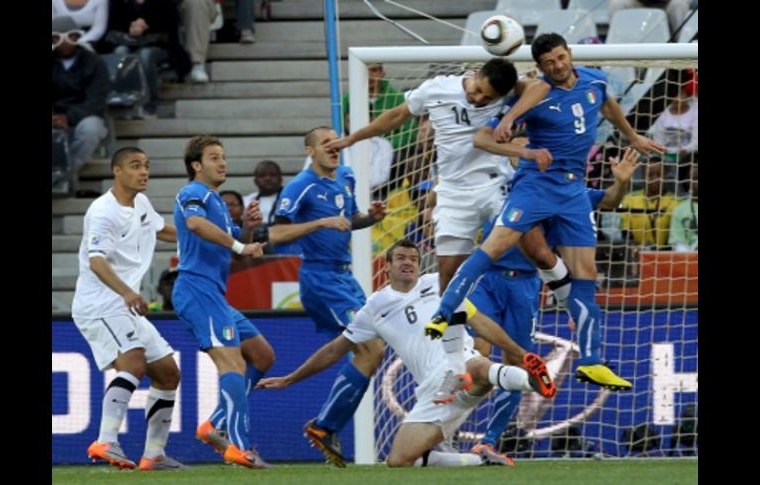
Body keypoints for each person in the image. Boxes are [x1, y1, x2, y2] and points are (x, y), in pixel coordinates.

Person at [427, 33, 665, 392]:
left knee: (586, 274)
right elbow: (482, 138)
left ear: (569, 54)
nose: (557, 65)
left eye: (560, 57)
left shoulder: (594, 82)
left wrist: (632, 136)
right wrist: (516, 135)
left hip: (572, 190)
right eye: (549, 62)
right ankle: (443, 312)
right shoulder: (534, 95)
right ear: (540, 67)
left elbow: (608, 105)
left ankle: (591, 361)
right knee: (494, 245)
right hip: (536, 185)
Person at [257, 240, 555, 467]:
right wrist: (290, 379)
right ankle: (480, 459)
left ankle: (533, 381)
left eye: (413, 258)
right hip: (431, 390)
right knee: (399, 460)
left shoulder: (438, 285)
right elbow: (336, 349)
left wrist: (517, 352)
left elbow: (478, 321)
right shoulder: (375, 306)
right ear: (386, 266)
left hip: (458, 367)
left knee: (477, 367)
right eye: (401, 258)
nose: (408, 263)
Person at [469, 146, 642, 457]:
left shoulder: (568, 192)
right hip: (488, 279)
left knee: (517, 361)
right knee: (476, 355)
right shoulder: (499, 183)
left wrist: (622, 181)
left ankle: (489, 441)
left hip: (525, 285)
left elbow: (611, 200)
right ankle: (445, 426)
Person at [327, 58, 553, 293]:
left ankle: (571, 297)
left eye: (487, 99)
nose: (478, 100)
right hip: (453, 192)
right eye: (478, 91)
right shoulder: (438, 88)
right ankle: (452, 329)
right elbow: (396, 116)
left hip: (495, 186)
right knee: (448, 278)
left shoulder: (508, 92)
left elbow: (539, 87)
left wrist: (508, 116)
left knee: (538, 252)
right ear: (476, 74)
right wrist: (352, 139)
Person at [268, 126, 387, 467]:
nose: (333, 146)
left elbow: (347, 221)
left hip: (345, 276)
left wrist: (369, 219)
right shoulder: (300, 186)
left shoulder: (346, 177)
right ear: (310, 151)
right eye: (325, 143)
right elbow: (276, 233)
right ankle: (323, 425)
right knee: (369, 346)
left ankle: (326, 427)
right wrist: (318, 224)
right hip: (320, 278)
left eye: (335, 141)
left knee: (370, 352)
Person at [71, 147, 188, 471]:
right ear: (117, 171)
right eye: (135, 166)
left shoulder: (140, 203)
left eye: (147, 166)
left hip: (123, 304)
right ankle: (106, 440)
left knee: (168, 372)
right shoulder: (103, 212)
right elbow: (96, 261)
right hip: (100, 304)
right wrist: (126, 292)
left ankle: (154, 454)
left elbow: (161, 230)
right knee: (133, 363)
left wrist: (205, 237)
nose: (144, 172)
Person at [171, 135, 273, 469]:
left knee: (262, 355)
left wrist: (247, 231)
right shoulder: (193, 194)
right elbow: (195, 225)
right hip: (196, 289)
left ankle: (213, 424)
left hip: (213, 293)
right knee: (234, 364)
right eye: (214, 157)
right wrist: (241, 245)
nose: (222, 162)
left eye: (224, 157)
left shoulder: (215, 200)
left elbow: (231, 250)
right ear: (196, 165)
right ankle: (240, 448)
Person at [52, 15, 110, 192]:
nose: (64, 42)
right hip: (55, 116)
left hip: (87, 115)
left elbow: (97, 100)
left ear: (77, 37)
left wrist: (68, 117)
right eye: (57, 37)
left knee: (90, 130)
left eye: (70, 36)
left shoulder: (94, 62)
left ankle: (64, 174)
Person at [618, 161, 680, 248]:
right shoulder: (630, 199)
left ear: (665, 176)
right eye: (650, 175)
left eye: (659, 174)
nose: (655, 178)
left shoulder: (676, 202)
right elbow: (625, 230)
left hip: (665, 254)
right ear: (643, 176)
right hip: (637, 252)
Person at [668, 166, 698, 251]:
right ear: (689, 182)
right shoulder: (679, 210)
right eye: (696, 178)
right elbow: (678, 243)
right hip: (690, 259)